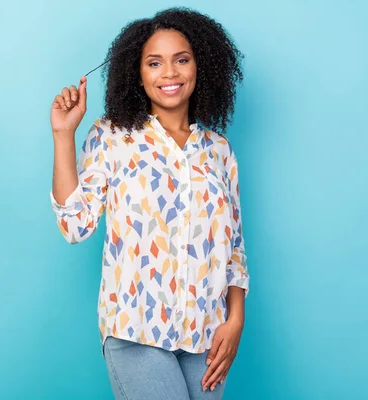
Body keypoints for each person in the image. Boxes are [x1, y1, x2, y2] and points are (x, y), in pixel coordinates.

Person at [49, 7, 249, 399]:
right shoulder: (112, 137)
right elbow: (75, 225)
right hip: (135, 328)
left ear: (200, 66)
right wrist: (63, 135)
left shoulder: (219, 151)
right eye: (154, 63)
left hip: (207, 334)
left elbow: (234, 248)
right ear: (137, 75)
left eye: (181, 60)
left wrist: (235, 320)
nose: (169, 73)